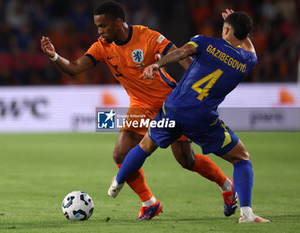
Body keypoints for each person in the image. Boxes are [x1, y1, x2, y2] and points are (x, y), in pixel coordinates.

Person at [41, 1, 236, 220]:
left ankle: (227, 185)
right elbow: (74, 68)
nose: (100, 31)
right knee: (121, 154)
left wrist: (196, 89)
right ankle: (149, 203)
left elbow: (183, 57)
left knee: (186, 160)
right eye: (97, 27)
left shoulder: (147, 36)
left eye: (103, 26)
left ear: (118, 22)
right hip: (140, 108)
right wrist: (54, 56)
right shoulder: (102, 47)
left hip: (169, 105)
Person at [108, 9, 271, 223]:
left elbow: (182, 52)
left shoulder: (204, 42)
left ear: (225, 29)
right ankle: (247, 213)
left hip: (173, 107)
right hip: (202, 117)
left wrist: (158, 63)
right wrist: (241, 31)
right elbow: (250, 48)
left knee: (145, 146)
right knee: (241, 158)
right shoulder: (247, 61)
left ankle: (118, 181)